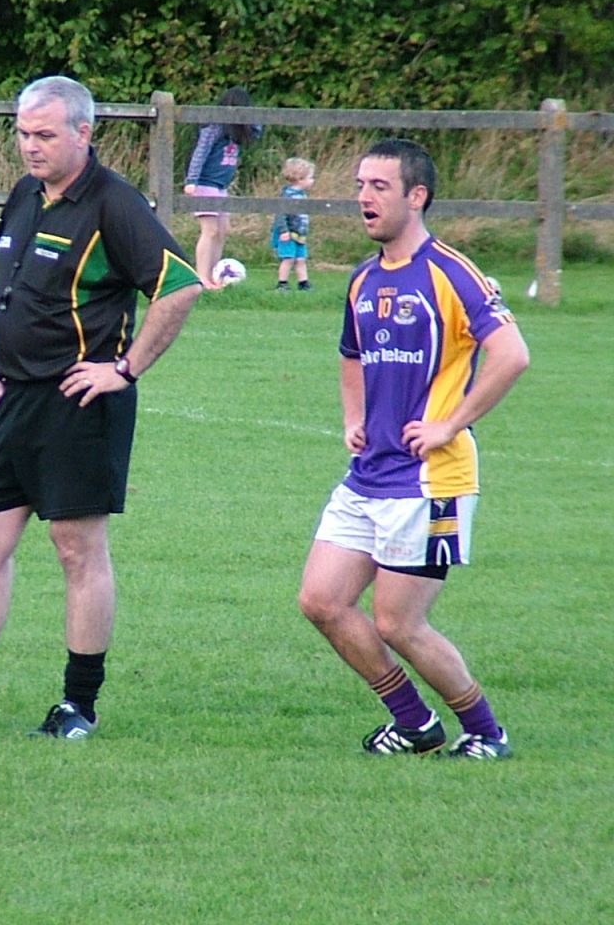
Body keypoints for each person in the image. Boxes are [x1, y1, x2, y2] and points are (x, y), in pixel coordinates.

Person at [0, 76, 203, 739]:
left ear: (85, 133)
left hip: (77, 403)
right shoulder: (25, 194)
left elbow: (179, 286)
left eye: (45, 134)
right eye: (24, 134)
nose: (31, 147)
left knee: (76, 548)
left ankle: (79, 706)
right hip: (13, 403)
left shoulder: (115, 204)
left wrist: (124, 370)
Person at [297, 138, 530, 760]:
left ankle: (487, 732)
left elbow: (512, 355)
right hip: (368, 474)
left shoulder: (451, 272)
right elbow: (351, 355)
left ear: (416, 195)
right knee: (321, 600)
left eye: (379, 187)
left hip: (433, 481)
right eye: (360, 186)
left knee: (399, 622)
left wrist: (449, 425)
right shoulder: (364, 278)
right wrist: (355, 417)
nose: (364, 198)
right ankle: (416, 724)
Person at [182, 86, 261, 289]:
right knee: (210, 230)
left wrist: (250, 118)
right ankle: (201, 277)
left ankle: (213, 274)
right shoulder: (214, 128)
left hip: (221, 186)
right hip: (205, 183)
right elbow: (200, 152)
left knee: (223, 230)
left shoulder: (238, 132)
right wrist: (191, 180)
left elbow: (257, 132)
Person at [271, 156, 314, 292]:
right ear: (300, 179)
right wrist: (284, 231)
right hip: (288, 234)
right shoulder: (287, 195)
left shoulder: (302, 195)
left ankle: (303, 283)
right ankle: (282, 283)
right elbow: (280, 214)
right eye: (310, 177)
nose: (312, 181)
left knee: (301, 259)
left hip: (300, 235)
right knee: (288, 258)